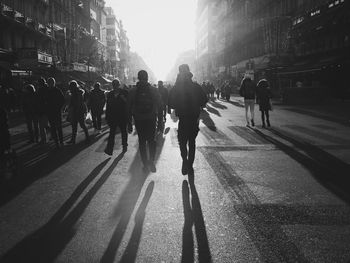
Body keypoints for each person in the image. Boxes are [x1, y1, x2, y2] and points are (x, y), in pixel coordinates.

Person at [168, 64, 207, 176]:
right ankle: (189, 164)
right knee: (192, 142)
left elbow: (170, 103)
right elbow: (204, 100)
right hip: (194, 119)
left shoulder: (177, 87)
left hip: (183, 119)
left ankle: (184, 160)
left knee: (182, 142)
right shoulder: (196, 86)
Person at [127, 70, 162, 172]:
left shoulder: (133, 91)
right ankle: (151, 161)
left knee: (142, 142)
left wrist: (129, 123)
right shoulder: (153, 90)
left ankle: (145, 164)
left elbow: (127, 107)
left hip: (139, 120)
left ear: (138, 77)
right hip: (151, 119)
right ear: (147, 77)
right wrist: (160, 122)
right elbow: (160, 106)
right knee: (152, 141)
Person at [104, 79, 131, 155]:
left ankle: (124, 145)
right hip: (113, 116)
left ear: (119, 85)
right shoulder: (110, 94)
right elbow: (108, 106)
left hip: (122, 116)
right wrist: (107, 116)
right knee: (112, 133)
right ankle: (109, 149)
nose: (115, 86)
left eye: (116, 84)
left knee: (123, 131)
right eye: (114, 85)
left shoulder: (125, 92)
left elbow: (128, 103)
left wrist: (124, 99)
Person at [47, 78, 65, 148]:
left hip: (56, 112)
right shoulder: (50, 91)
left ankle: (60, 142)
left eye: (51, 83)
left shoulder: (57, 91)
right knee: (54, 128)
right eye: (49, 83)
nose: (50, 84)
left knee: (58, 128)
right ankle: (57, 142)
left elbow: (62, 100)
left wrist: (59, 108)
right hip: (51, 112)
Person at [36, 77, 49, 143]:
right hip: (47, 110)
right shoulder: (47, 89)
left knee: (42, 126)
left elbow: (39, 101)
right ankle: (52, 136)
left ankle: (44, 139)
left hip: (42, 110)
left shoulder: (40, 90)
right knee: (45, 125)